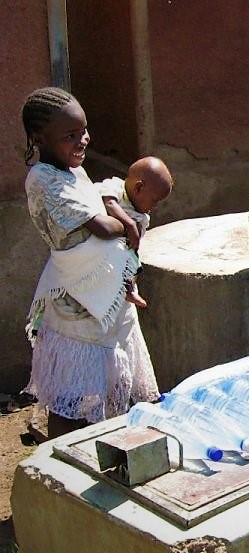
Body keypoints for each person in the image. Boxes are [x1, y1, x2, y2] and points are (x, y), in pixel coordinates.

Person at [21, 86, 159, 439]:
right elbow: (100, 227)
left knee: (114, 393)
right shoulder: (43, 178)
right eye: (71, 135)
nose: (83, 140)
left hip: (104, 299)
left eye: (83, 131)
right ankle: (62, 464)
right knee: (71, 400)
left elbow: (102, 199)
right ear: (40, 138)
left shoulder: (73, 171)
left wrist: (119, 210)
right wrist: (133, 220)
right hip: (77, 301)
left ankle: (104, 460)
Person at [95, 156, 173, 308]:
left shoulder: (141, 215)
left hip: (123, 252)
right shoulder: (116, 187)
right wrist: (129, 224)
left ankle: (129, 289)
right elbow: (109, 203)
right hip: (101, 248)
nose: (155, 206)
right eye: (154, 200)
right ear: (138, 188)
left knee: (134, 265)